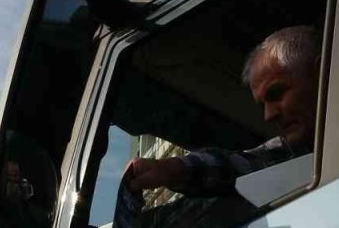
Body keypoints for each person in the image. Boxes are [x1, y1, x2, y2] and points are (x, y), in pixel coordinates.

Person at [123, 25, 321, 197]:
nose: (268, 116)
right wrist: (172, 169)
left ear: (321, 71)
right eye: (262, 105)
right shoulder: (293, 150)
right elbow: (240, 164)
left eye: (276, 93)